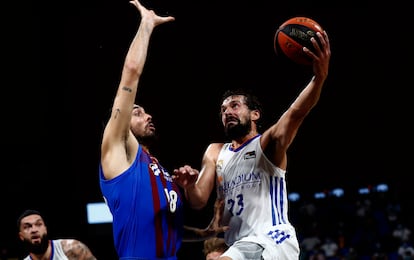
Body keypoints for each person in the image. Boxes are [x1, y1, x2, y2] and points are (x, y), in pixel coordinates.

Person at [173, 29, 331, 259]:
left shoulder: (266, 145)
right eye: (223, 110)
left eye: (235, 105)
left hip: (272, 239)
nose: (227, 112)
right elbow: (198, 201)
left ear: (255, 114)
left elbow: (295, 113)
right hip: (238, 243)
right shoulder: (216, 151)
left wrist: (319, 78)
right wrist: (188, 186)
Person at [98, 0, 184, 259]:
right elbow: (131, 73)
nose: (147, 115)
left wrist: (203, 233)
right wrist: (146, 26)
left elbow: (161, 221)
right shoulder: (117, 148)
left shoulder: (154, 166)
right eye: (137, 112)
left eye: (145, 111)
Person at [17, 209, 96, 260]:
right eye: (27, 227)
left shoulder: (72, 248)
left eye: (38, 224)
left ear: (46, 229)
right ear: (21, 236)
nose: (34, 230)